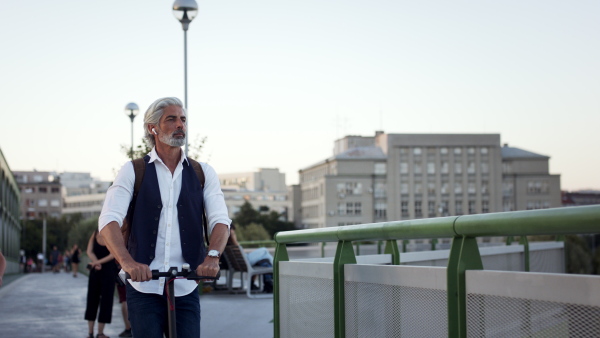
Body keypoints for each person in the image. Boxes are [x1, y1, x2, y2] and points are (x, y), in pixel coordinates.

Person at [98, 97, 231, 338]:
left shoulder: (203, 173)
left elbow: (220, 220)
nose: (180, 124)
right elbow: (108, 222)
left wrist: (212, 257)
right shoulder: (133, 170)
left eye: (183, 119)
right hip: (142, 286)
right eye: (171, 119)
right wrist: (128, 263)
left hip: (186, 284)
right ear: (153, 128)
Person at [85, 230, 117, 338]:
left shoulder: (94, 234)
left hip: (95, 271)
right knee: (106, 302)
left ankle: (90, 333)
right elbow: (113, 255)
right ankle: (100, 333)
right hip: (108, 272)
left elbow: (89, 251)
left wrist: (95, 263)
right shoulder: (112, 233)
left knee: (92, 300)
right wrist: (98, 263)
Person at [227, 224, 274, 293]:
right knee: (264, 250)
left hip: (243, 261)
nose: (234, 235)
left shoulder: (227, 245)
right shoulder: (234, 245)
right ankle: (270, 280)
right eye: (233, 233)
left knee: (265, 261)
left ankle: (267, 284)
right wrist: (233, 237)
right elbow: (240, 250)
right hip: (246, 261)